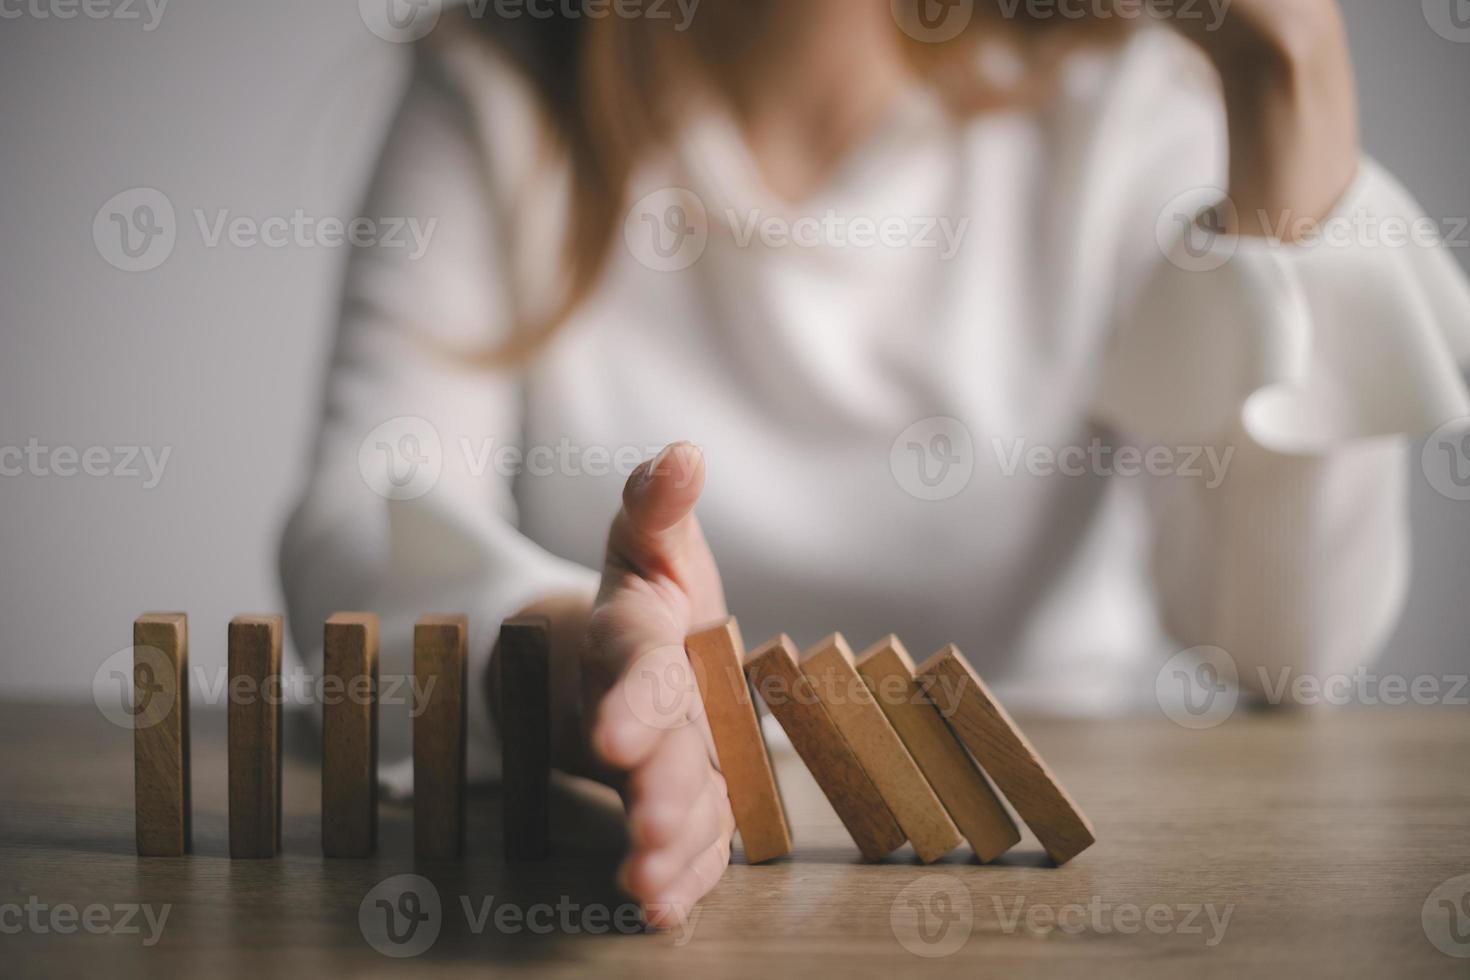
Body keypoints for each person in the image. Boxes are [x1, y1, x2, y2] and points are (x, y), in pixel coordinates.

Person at [280, 0, 1470, 927]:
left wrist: (1292, 76)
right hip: (636, 867)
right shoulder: (507, 80)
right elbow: (365, 515)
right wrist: (579, 663)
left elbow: (1282, 647)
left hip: (1052, 886)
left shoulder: (1126, 105)